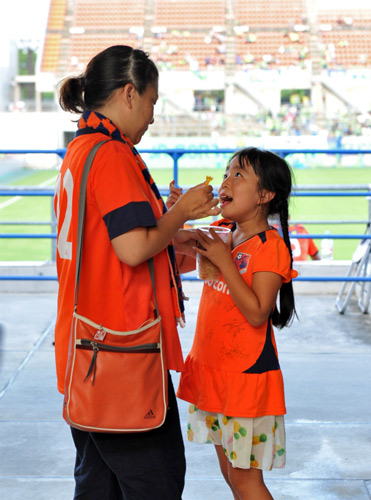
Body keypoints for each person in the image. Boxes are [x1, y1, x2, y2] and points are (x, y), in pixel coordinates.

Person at [54, 45, 220, 500]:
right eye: (151, 101)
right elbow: (132, 248)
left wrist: (170, 236)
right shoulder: (111, 154)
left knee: (97, 484)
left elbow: (119, 243)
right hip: (120, 353)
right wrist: (180, 213)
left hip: (86, 348)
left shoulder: (81, 149)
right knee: (157, 481)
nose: (151, 115)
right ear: (129, 93)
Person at [177, 147, 297, 500]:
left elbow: (259, 312)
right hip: (214, 372)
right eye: (226, 173)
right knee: (230, 475)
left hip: (245, 379)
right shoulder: (220, 231)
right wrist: (174, 214)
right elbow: (175, 254)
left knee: (247, 481)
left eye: (238, 175)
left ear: (265, 195)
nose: (226, 181)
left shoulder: (270, 247)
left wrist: (224, 261)